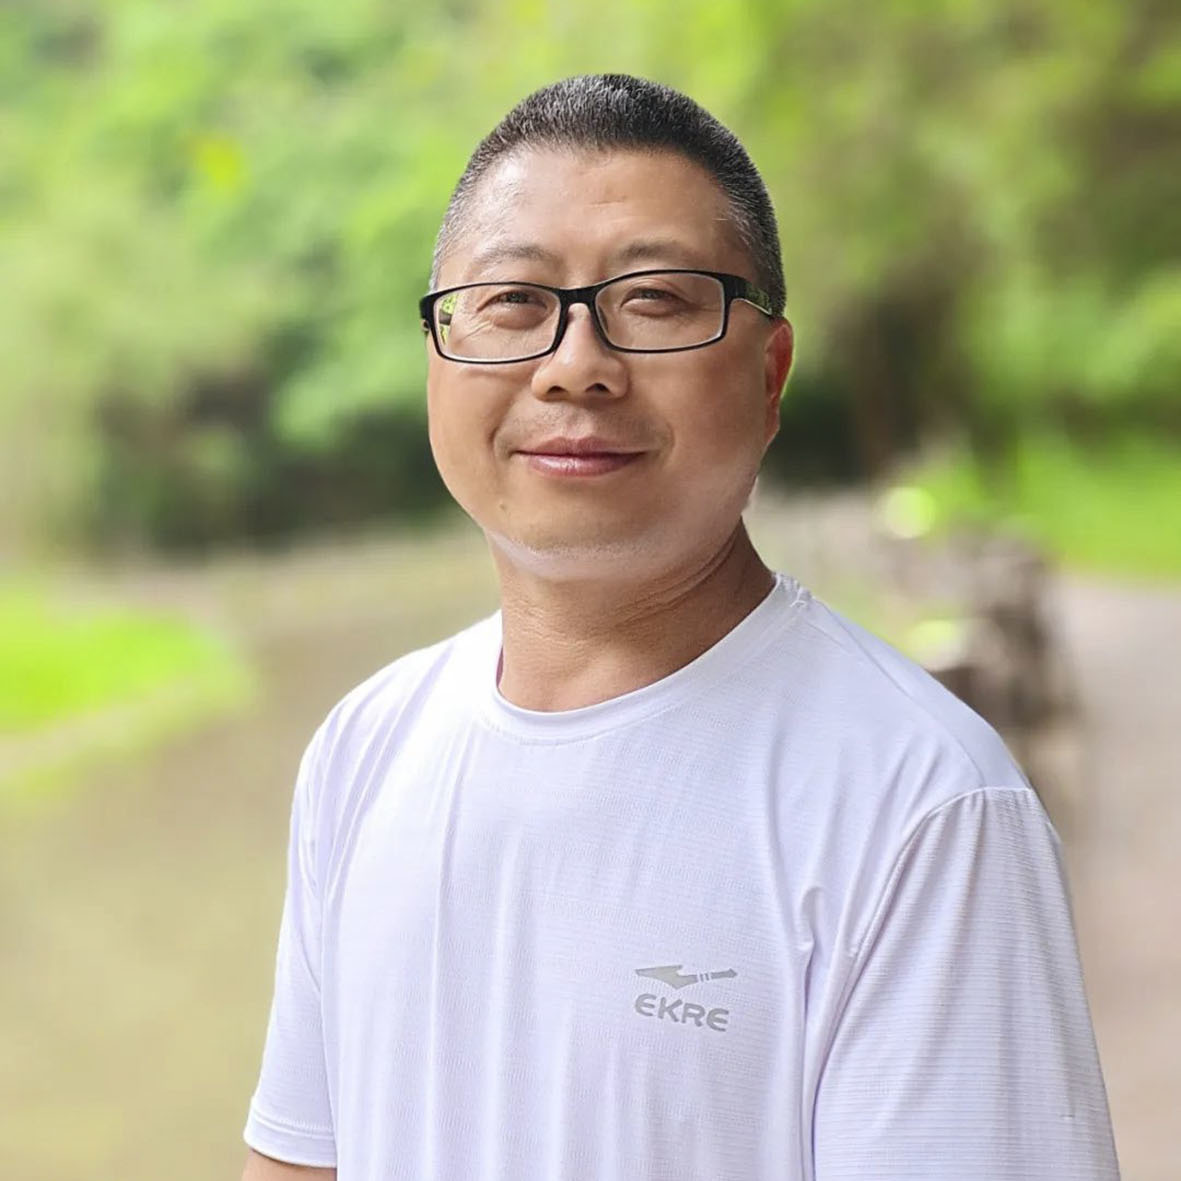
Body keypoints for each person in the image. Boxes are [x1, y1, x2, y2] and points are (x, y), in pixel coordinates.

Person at [240, 74, 1120, 1180]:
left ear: (769, 374)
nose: (574, 365)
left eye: (654, 300)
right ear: (436, 355)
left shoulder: (918, 803)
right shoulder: (364, 749)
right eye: (512, 301)